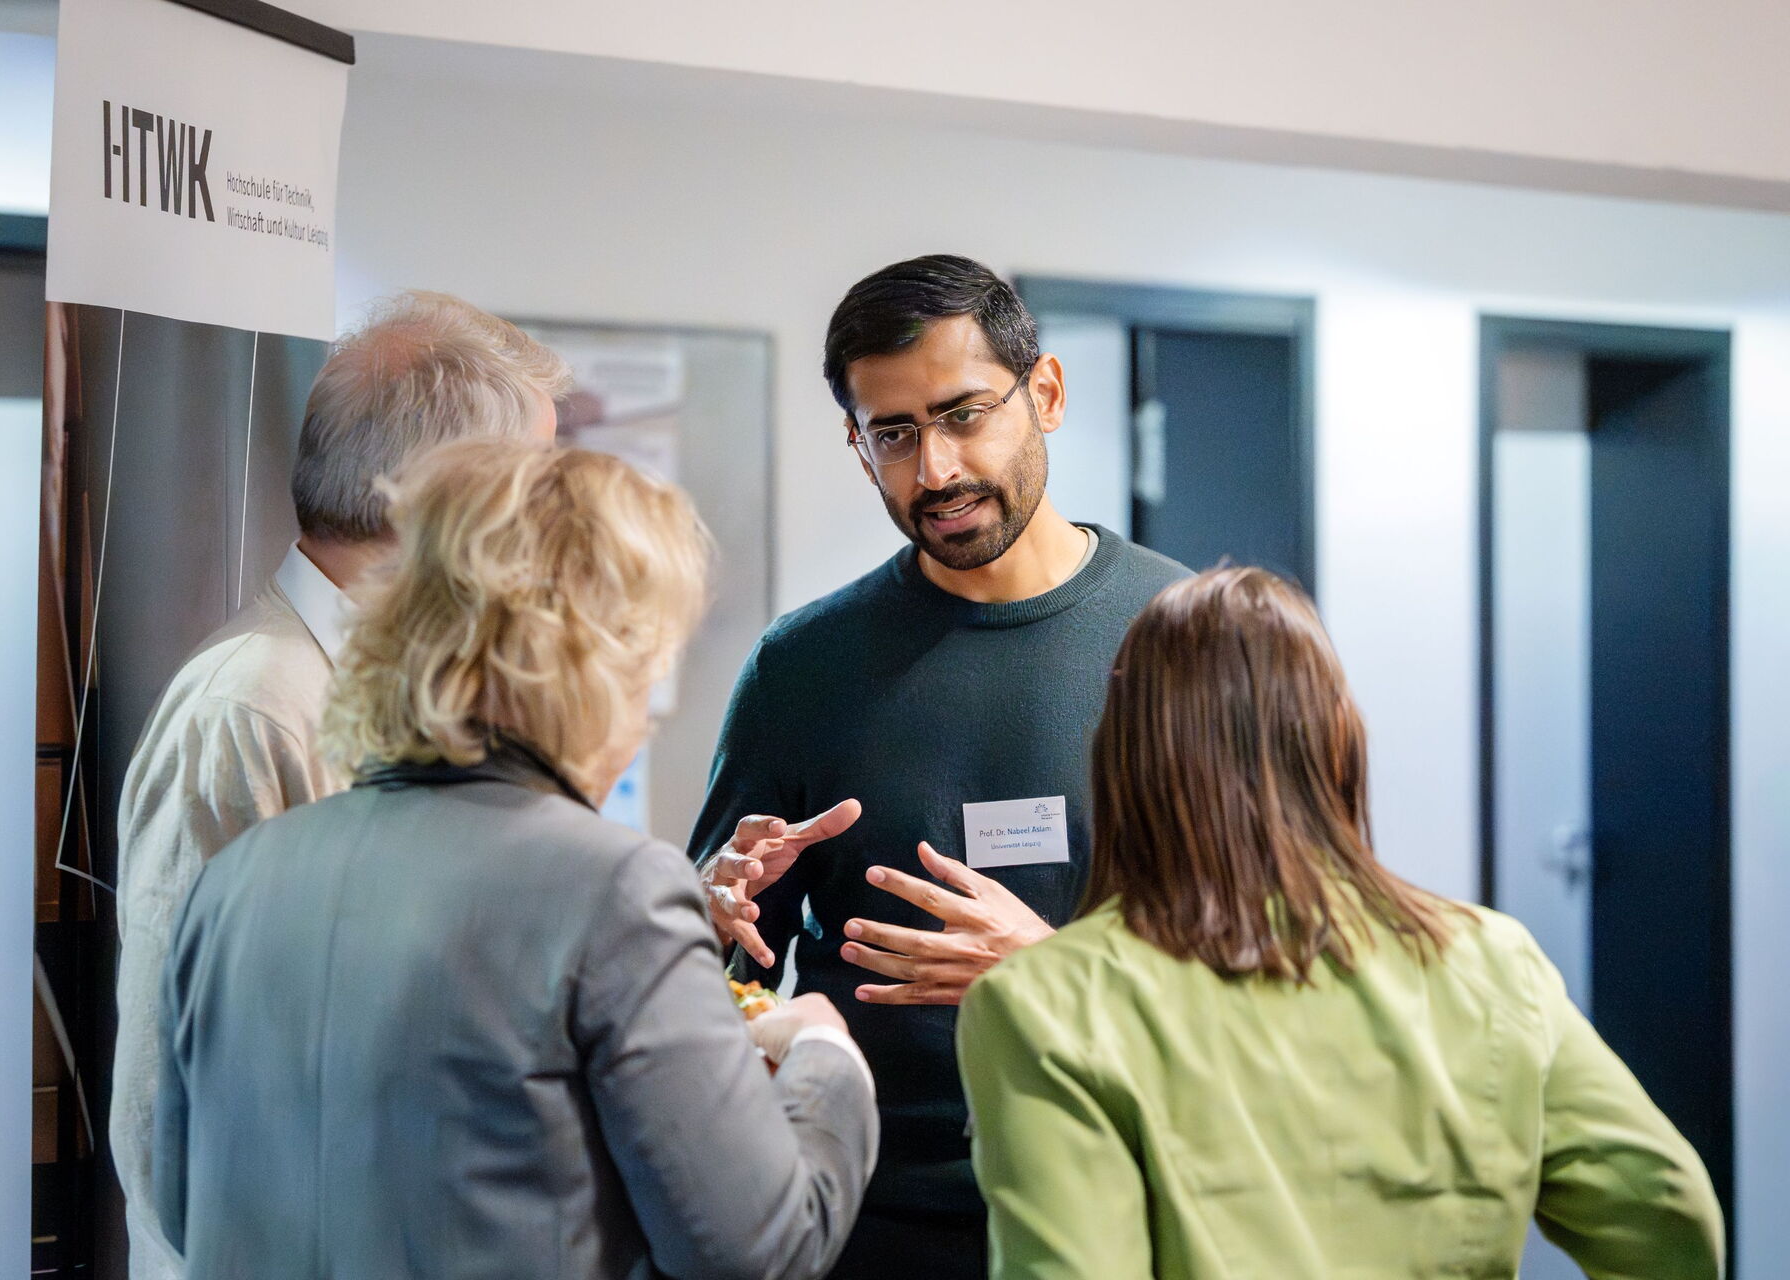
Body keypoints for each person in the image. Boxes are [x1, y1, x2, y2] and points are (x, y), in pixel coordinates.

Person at [153, 441, 880, 1280]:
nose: (645, 716)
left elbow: (185, 1200)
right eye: (647, 672)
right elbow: (760, 1248)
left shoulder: (236, 880)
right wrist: (827, 1058)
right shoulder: (616, 889)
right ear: (594, 671)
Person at [956, 567, 1724, 1279]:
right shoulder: (1493, 963)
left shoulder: (1045, 1006)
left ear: (1123, 756)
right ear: (1336, 738)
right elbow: (1670, 1217)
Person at [690, 254, 1188, 1277]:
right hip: (871, 1220)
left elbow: (1272, 975)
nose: (937, 470)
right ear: (857, 443)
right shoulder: (801, 670)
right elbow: (717, 985)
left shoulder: (1185, 638)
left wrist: (1052, 975)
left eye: (966, 415)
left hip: (1129, 1201)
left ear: (1042, 394)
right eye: (896, 434)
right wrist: (705, 921)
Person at [110, 292, 569, 1280]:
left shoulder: (411, 694)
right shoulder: (250, 707)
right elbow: (163, 1120)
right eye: (528, 485)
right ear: (433, 495)